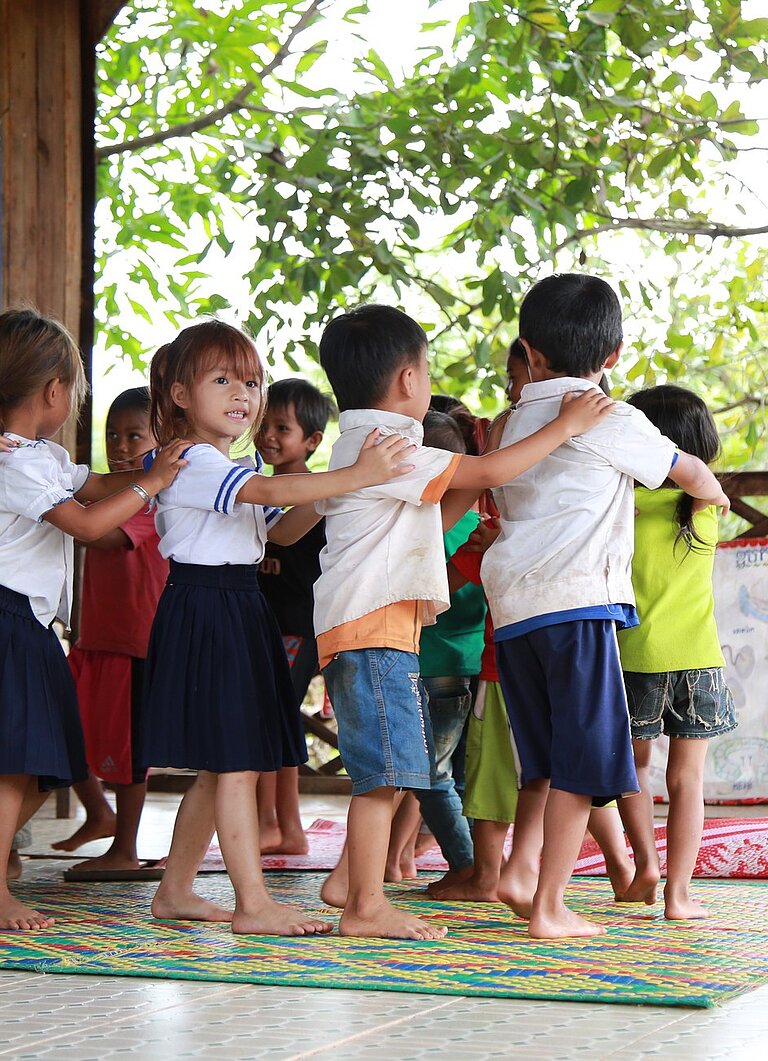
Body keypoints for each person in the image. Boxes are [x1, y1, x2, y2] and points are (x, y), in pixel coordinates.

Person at [313, 302, 614, 941]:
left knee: (385, 771)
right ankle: (363, 905)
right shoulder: (392, 446)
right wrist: (566, 424)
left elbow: (422, 523)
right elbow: (491, 471)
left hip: (366, 628)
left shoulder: (358, 441)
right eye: (424, 369)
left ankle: (353, 889)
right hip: (375, 632)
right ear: (406, 381)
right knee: (384, 777)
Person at [138, 319, 415, 937]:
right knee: (235, 764)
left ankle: (175, 891)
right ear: (181, 395)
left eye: (252, 382)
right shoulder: (196, 463)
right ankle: (253, 905)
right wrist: (357, 475)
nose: (244, 393)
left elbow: (281, 526)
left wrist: (338, 487)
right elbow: (269, 487)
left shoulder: (225, 463)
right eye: (223, 380)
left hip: (235, 606)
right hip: (210, 608)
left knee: (223, 766)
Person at [481, 273, 730, 939]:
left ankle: (518, 869)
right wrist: (718, 496)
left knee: (544, 756)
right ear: (613, 355)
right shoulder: (612, 417)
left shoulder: (507, 422)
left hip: (512, 608)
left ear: (529, 353)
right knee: (585, 764)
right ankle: (550, 905)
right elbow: (688, 472)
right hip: (577, 604)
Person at [0, 307, 186, 931]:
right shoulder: (15, 462)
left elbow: (96, 483)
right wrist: (152, 481)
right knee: (20, 764)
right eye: (77, 390)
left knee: (46, 761)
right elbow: (84, 523)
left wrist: (158, 474)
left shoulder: (42, 457)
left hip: (29, 624)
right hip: (9, 619)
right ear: (54, 391)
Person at [616, 384, 737, 919]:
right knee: (688, 782)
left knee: (631, 770)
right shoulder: (707, 505)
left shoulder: (624, 507)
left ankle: (644, 863)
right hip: (697, 660)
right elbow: (713, 489)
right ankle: (679, 896)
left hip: (632, 657)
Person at [51, 387, 170, 878]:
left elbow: (95, 535)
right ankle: (98, 813)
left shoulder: (150, 500)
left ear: (160, 441)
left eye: (134, 436)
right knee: (63, 728)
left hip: (136, 641)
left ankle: (125, 845)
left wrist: (48, 507)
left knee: (130, 752)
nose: (120, 447)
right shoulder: (113, 491)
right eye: (112, 435)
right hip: (93, 636)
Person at [384, 411, 486, 890]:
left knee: (428, 775)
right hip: (475, 663)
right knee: (461, 776)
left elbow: (426, 597)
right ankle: (477, 867)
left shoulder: (422, 527)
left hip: (434, 664)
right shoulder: (479, 526)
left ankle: (469, 866)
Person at [256, 378, 337, 855]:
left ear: (311, 441)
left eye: (281, 427)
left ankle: (277, 825)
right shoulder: (257, 490)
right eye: (264, 424)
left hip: (297, 630)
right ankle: (287, 828)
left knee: (272, 722)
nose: (268, 435)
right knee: (277, 722)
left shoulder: (315, 494)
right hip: (268, 627)